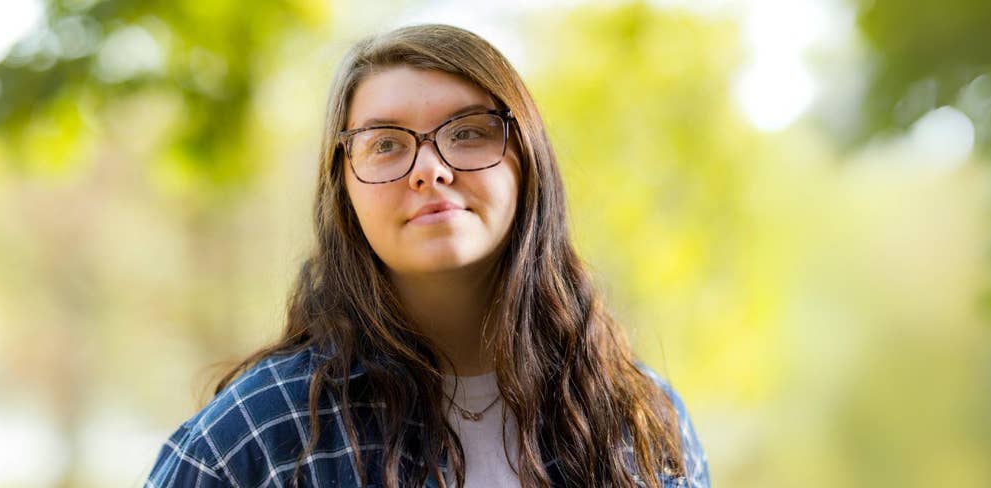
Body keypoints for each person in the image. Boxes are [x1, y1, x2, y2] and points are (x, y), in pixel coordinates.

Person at [144, 24, 709, 488]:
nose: (430, 168)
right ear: (345, 190)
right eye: (385, 143)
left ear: (528, 162)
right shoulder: (254, 441)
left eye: (467, 132)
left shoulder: (638, 421)